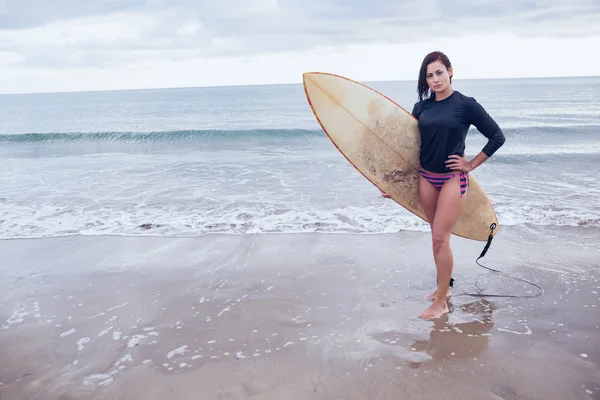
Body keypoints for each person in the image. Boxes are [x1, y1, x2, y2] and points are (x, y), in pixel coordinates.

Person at [410, 51, 506, 320]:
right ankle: (445, 288)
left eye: (439, 72)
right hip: (426, 176)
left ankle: (440, 302)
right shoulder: (422, 108)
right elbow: (410, 146)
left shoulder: (466, 105)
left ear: (450, 71)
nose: (435, 79)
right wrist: (391, 182)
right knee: (437, 237)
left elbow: (497, 136)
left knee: (441, 237)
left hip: (453, 179)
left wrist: (471, 164)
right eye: (429, 76)